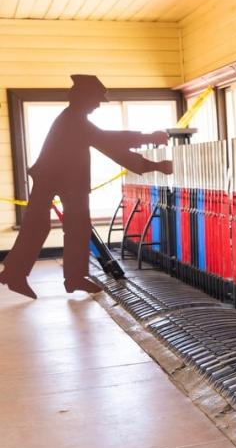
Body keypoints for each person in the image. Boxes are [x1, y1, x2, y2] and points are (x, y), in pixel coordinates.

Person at [0, 74, 174, 299]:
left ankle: (44, 275)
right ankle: (22, 274)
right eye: (97, 99)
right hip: (59, 179)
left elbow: (110, 148)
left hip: (65, 179)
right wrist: (152, 150)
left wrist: (153, 165)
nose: (98, 104)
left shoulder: (74, 117)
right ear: (84, 97)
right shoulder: (73, 119)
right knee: (49, 226)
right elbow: (107, 141)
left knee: (72, 227)